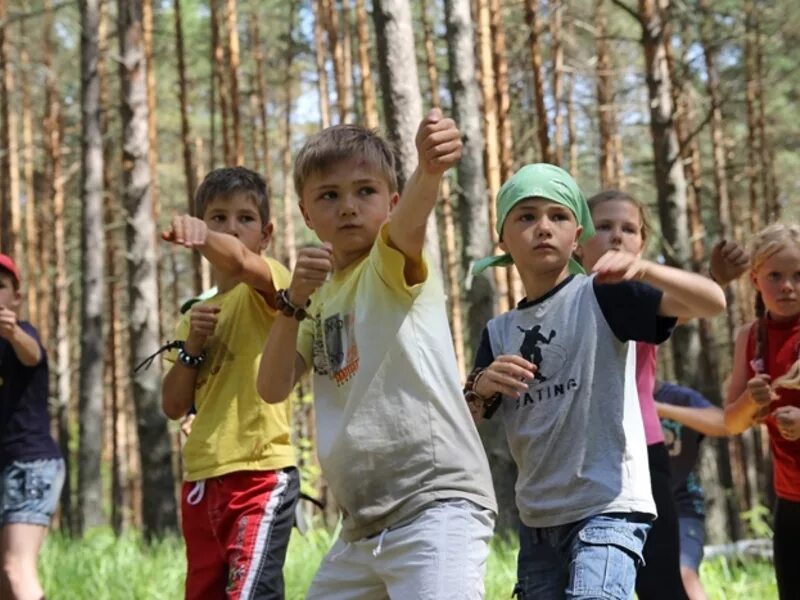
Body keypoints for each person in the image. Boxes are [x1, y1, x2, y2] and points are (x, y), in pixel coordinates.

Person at [257, 111, 497, 599]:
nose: (348, 207)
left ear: (390, 202)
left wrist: (428, 171)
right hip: (360, 531)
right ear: (306, 214)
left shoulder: (389, 265)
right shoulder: (318, 298)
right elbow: (272, 386)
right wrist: (292, 301)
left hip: (435, 504)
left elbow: (410, 223)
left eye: (364, 192)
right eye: (329, 196)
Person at [466, 164, 726, 600]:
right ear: (502, 239)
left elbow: (712, 302)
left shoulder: (603, 295)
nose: (544, 227)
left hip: (609, 508)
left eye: (558, 216)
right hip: (538, 523)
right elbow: (468, 418)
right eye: (526, 217)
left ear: (577, 236)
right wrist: (483, 386)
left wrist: (644, 269)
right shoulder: (498, 332)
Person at [575, 190, 747, 600]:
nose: (617, 236)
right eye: (604, 226)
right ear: (578, 239)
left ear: (641, 245)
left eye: (629, 229)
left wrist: (715, 278)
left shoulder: (643, 299)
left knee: (660, 585)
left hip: (643, 458)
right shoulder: (563, 298)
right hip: (578, 458)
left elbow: (696, 305)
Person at [161, 167, 299, 600]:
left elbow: (240, 263)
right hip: (202, 477)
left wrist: (202, 234)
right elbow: (173, 403)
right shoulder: (193, 315)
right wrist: (193, 345)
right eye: (218, 218)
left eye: (245, 219)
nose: (231, 229)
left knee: (251, 594)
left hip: (260, 474)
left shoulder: (269, 281)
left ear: (266, 233)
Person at [724, 222, 800, 600]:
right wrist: (751, 402)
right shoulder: (750, 337)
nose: (788, 285)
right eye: (776, 276)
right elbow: (732, 423)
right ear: (755, 279)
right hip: (790, 501)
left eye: (799, 275)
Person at [0, 254, 64, 600]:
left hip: (31, 467)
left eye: (0, 287)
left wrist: (10, 332)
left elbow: (32, 354)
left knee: (16, 567)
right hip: (6, 467)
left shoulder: (22, 333)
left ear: (16, 298)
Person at [655, 381, 729, 600]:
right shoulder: (615, 397)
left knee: (684, 572)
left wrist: (660, 409)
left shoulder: (677, 396)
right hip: (640, 509)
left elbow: (723, 422)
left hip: (683, 506)